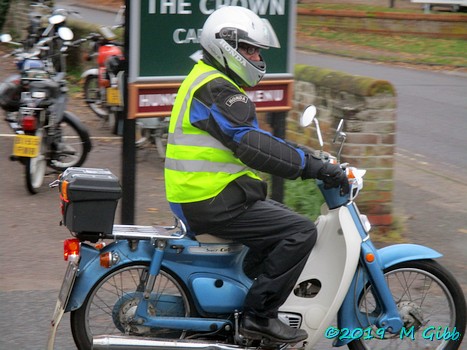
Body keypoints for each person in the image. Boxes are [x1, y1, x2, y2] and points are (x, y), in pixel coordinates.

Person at [164, 6, 348, 344]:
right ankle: (258, 316)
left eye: (258, 49)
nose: (257, 56)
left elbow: (262, 141)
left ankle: (241, 304)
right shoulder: (219, 90)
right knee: (300, 232)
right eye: (250, 49)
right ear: (227, 46)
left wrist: (308, 157)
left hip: (205, 194)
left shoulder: (207, 80)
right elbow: (252, 146)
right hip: (212, 199)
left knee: (274, 222)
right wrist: (311, 168)